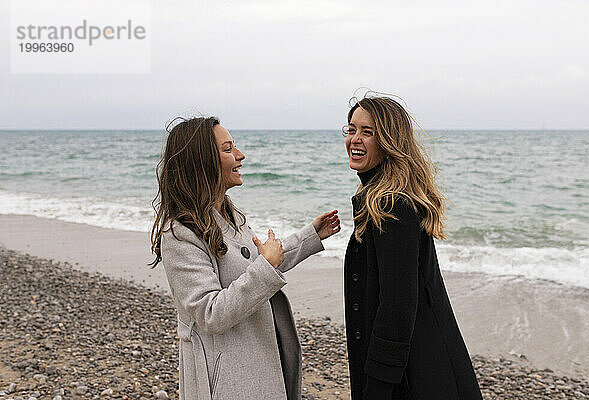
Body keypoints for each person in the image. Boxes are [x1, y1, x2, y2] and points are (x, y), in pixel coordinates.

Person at [149, 116, 340, 400]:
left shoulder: (229, 215)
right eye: (228, 149)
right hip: (225, 381)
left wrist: (310, 236)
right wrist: (266, 265)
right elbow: (210, 313)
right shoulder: (180, 233)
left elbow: (259, 265)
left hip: (258, 362)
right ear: (203, 162)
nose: (240, 155)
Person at [342, 94, 483, 399]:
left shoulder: (392, 205)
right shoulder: (379, 198)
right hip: (414, 364)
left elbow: (397, 305)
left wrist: (377, 387)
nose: (355, 139)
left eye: (368, 132)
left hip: (417, 374)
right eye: (351, 129)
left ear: (390, 140)